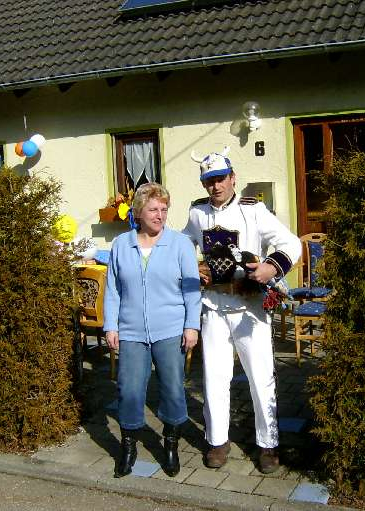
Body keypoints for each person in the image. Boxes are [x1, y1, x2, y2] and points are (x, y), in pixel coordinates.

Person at [183, 148, 302, 474]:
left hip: (250, 309)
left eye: (221, 179)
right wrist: (192, 267)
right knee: (214, 377)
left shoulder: (254, 210)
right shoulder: (197, 213)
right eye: (209, 181)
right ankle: (217, 440)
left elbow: (291, 243)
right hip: (214, 307)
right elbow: (182, 245)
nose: (216, 186)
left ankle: (268, 444)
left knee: (261, 377)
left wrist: (270, 267)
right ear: (204, 184)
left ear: (233, 178)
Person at [104, 182, 201, 478]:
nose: (160, 215)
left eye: (164, 209)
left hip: (170, 329)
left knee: (172, 388)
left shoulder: (180, 244)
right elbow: (113, 290)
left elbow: (191, 290)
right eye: (153, 209)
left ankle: (170, 445)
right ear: (138, 212)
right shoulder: (121, 245)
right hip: (131, 330)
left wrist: (192, 325)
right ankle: (128, 447)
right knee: (130, 390)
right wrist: (111, 325)